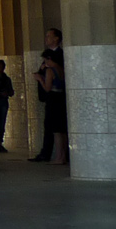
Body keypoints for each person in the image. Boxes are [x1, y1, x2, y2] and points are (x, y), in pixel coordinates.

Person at [34, 27, 69, 165]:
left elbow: (58, 77)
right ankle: (50, 153)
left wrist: (41, 78)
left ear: (56, 39)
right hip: (52, 97)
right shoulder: (49, 62)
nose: (46, 38)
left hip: (55, 96)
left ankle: (58, 156)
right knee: (53, 127)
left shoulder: (59, 56)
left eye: (49, 36)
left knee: (56, 128)